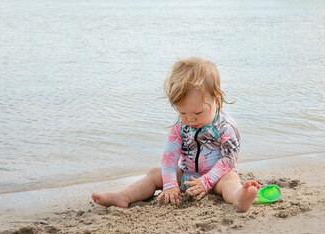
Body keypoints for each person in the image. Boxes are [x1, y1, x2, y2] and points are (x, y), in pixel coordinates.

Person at [91, 57, 260, 212]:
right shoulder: (180, 126)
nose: (190, 119)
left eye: (198, 113)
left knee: (230, 179)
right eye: (183, 113)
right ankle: (124, 196)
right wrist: (171, 184)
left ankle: (239, 197)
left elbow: (228, 160)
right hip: (187, 176)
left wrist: (206, 181)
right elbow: (170, 157)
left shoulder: (226, 126)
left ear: (216, 99)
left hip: (217, 178)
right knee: (154, 174)